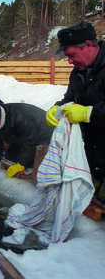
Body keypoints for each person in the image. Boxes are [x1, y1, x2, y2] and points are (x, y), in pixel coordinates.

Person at [46, 21, 105, 206]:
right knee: (81, 198)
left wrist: (90, 113)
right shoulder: (77, 73)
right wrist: (57, 107)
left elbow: (89, 111)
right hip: (93, 155)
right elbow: (70, 99)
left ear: (88, 45)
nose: (70, 61)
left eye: (72, 55)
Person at [0, 98, 54, 191]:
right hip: (23, 139)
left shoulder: (20, 116)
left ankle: (33, 169)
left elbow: (30, 142)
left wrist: (21, 164)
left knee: (31, 162)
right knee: (9, 157)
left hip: (44, 138)